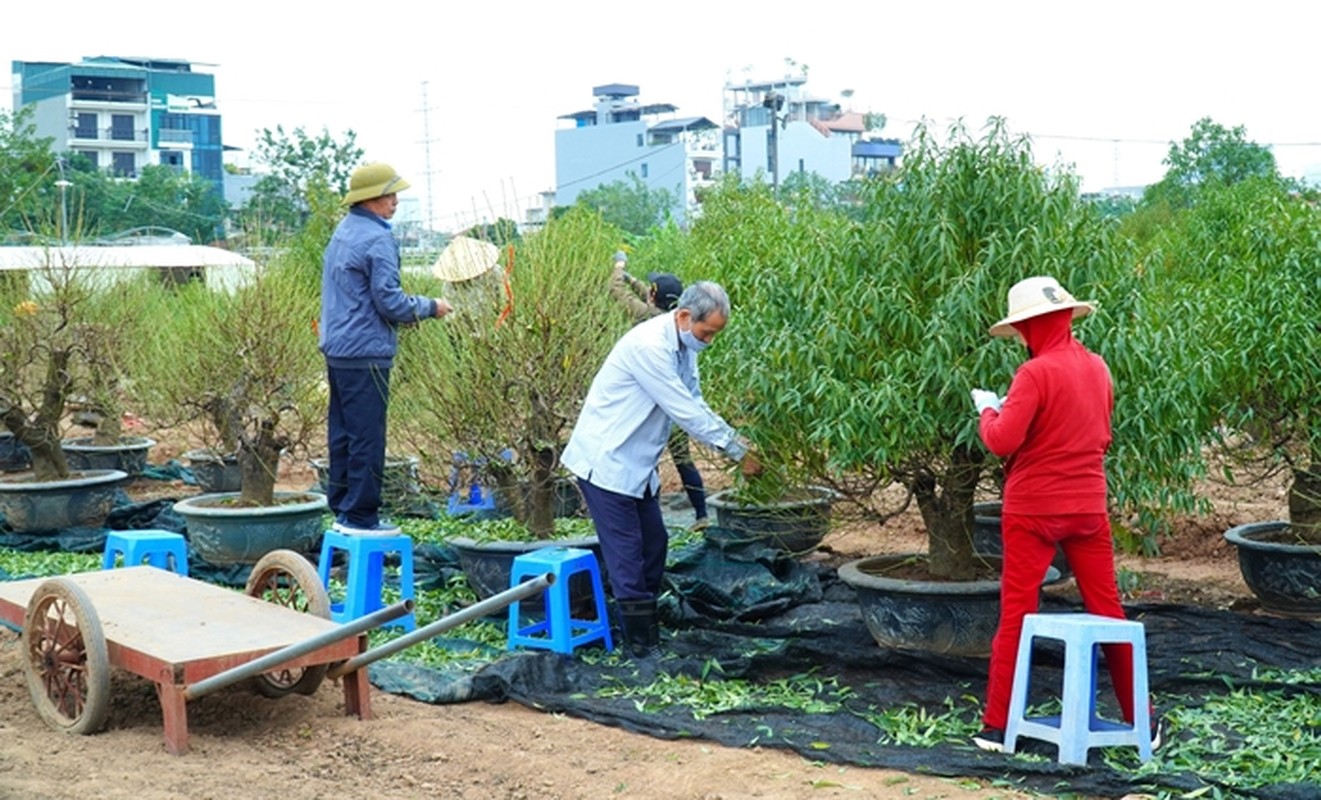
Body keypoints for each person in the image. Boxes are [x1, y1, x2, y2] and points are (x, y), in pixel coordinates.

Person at [969, 275, 1158, 752]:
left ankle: (997, 726)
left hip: (1032, 509)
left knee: (1017, 614)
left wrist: (988, 411)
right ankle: (1144, 721)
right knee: (1109, 612)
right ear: (1066, 317)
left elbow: (1002, 441)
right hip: (1088, 506)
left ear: (1029, 327)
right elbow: (1102, 433)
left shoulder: (1033, 374)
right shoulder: (1098, 367)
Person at [562, 280, 761, 658]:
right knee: (628, 554)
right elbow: (683, 409)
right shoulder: (649, 346)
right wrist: (737, 450)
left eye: (715, 334)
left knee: (656, 544)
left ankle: (641, 626)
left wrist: (732, 442)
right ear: (685, 316)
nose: (709, 341)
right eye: (707, 332)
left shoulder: (684, 347)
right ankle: (640, 649)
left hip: (637, 465)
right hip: (607, 464)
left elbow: (695, 401)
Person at [319, 162, 453, 536]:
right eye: (389, 195)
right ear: (370, 199)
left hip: (338, 348)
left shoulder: (344, 230)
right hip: (366, 352)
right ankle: (362, 517)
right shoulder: (377, 238)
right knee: (367, 435)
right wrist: (431, 307)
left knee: (344, 432)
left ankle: (344, 510)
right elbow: (390, 302)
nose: (395, 201)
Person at [609, 251, 710, 531]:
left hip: (652, 405)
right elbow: (649, 293)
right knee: (683, 459)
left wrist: (620, 267)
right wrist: (634, 279)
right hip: (675, 404)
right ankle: (702, 514)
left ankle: (649, 521)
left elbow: (616, 291)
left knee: (646, 461)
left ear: (654, 298)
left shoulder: (646, 319)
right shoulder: (676, 320)